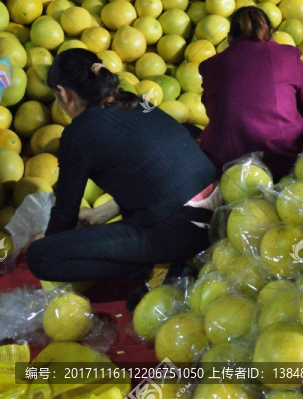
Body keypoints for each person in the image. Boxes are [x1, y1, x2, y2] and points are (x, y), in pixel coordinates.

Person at [26, 49, 219, 302]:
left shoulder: (78, 135)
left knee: (41, 257)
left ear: (64, 94)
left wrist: (49, 240)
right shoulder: (134, 101)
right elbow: (152, 162)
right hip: (217, 208)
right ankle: (166, 256)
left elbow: (65, 214)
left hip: (183, 230)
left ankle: (159, 271)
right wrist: (106, 210)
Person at [197, 6, 303, 180]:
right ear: (271, 33)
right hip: (286, 159)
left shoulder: (210, 65)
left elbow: (212, 110)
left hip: (229, 167)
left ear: (228, 38)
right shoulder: (289, 55)